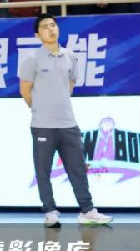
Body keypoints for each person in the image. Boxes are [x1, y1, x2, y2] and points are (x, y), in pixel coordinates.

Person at [17, 14, 112, 227]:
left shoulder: (70, 55)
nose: (50, 29)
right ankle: (50, 211)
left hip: (68, 123)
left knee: (77, 168)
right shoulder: (31, 58)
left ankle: (87, 210)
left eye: (53, 25)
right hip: (42, 125)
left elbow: (70, 84)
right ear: (37, 34)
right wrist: (39, 108)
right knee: (43, 171)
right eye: (45, 26)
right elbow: (25, 90)